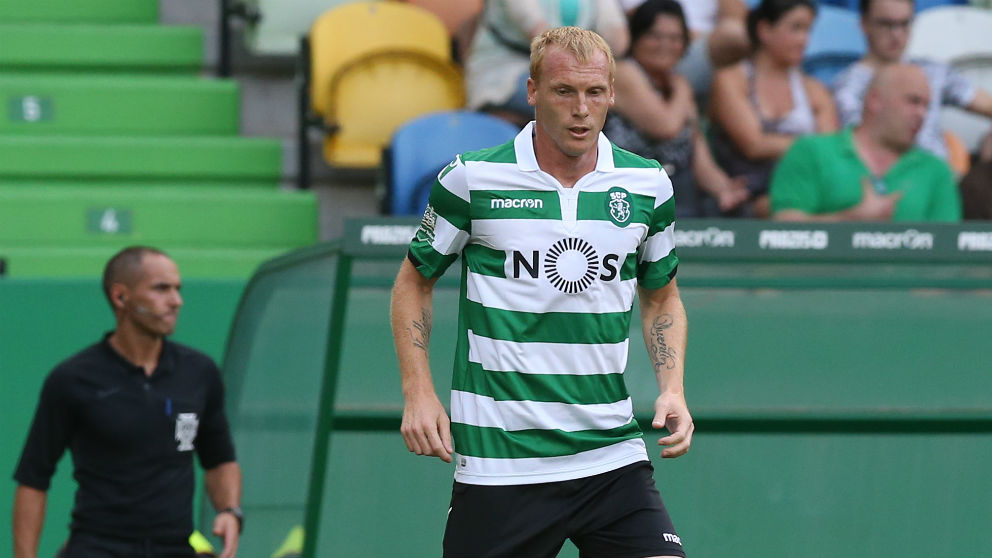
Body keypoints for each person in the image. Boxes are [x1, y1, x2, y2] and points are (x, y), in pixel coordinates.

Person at [391, 26, 693, 558]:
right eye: (564, 91)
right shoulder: (472, 178)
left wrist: (672, 388)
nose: (581, 109)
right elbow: (414, 281)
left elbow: (662, 295)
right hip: (501, 461)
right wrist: (419, 393)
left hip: (609, 453)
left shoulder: (648, 185)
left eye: (594, 92)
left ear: (612, 95)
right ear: (532, 91)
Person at [12, 247, 243, 558]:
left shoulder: (200, 372)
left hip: (174, 548)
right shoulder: (72, 379)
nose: (176, 301)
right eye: (161, 288)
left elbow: (219, 460)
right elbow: (33, 481)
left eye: (177, 289)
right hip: (97, 548)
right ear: (121, 297)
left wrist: (229, 510)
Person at [607, 0, 750, 217]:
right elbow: (665, 127)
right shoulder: (624, 73)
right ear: (636, 37)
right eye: (655, 36)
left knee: (738, 212)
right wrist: (682, 87)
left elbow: (697, 152)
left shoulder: (676, 85)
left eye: (674, 38)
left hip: (676, 189)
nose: (665, 45)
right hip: (626, 192)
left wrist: (724, 188)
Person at [770, 64, 961, 221]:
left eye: (926, 106)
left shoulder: (937, 171)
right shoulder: (810, 151)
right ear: (875, 100)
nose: (922, 114)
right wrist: (849, 220)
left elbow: (947, 249)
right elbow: (784, 227)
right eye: (913, 101)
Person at [708, 0, 838, 217]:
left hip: (804, 193)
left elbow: (830, 152)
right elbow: (754, 145)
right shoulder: (730, 79)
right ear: (764, 30)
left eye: (808, 30)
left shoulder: (815, 90)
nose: (804, 40)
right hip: (743, 199)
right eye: (796, 28)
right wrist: (809, 146)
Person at [833, 0, 992, 160]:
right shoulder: (848, 86)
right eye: (886, 24)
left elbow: (985, 103)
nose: (897, 34)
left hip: (942, 177)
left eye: (904, 24)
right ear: (864, 24)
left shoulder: (931, 70)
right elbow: (857, 149)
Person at [465, 0, 629, 127]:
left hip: (574, 67)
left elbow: (618, 43)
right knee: (578, 99)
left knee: (624, 77)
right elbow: (544, 39)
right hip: (506, 72)